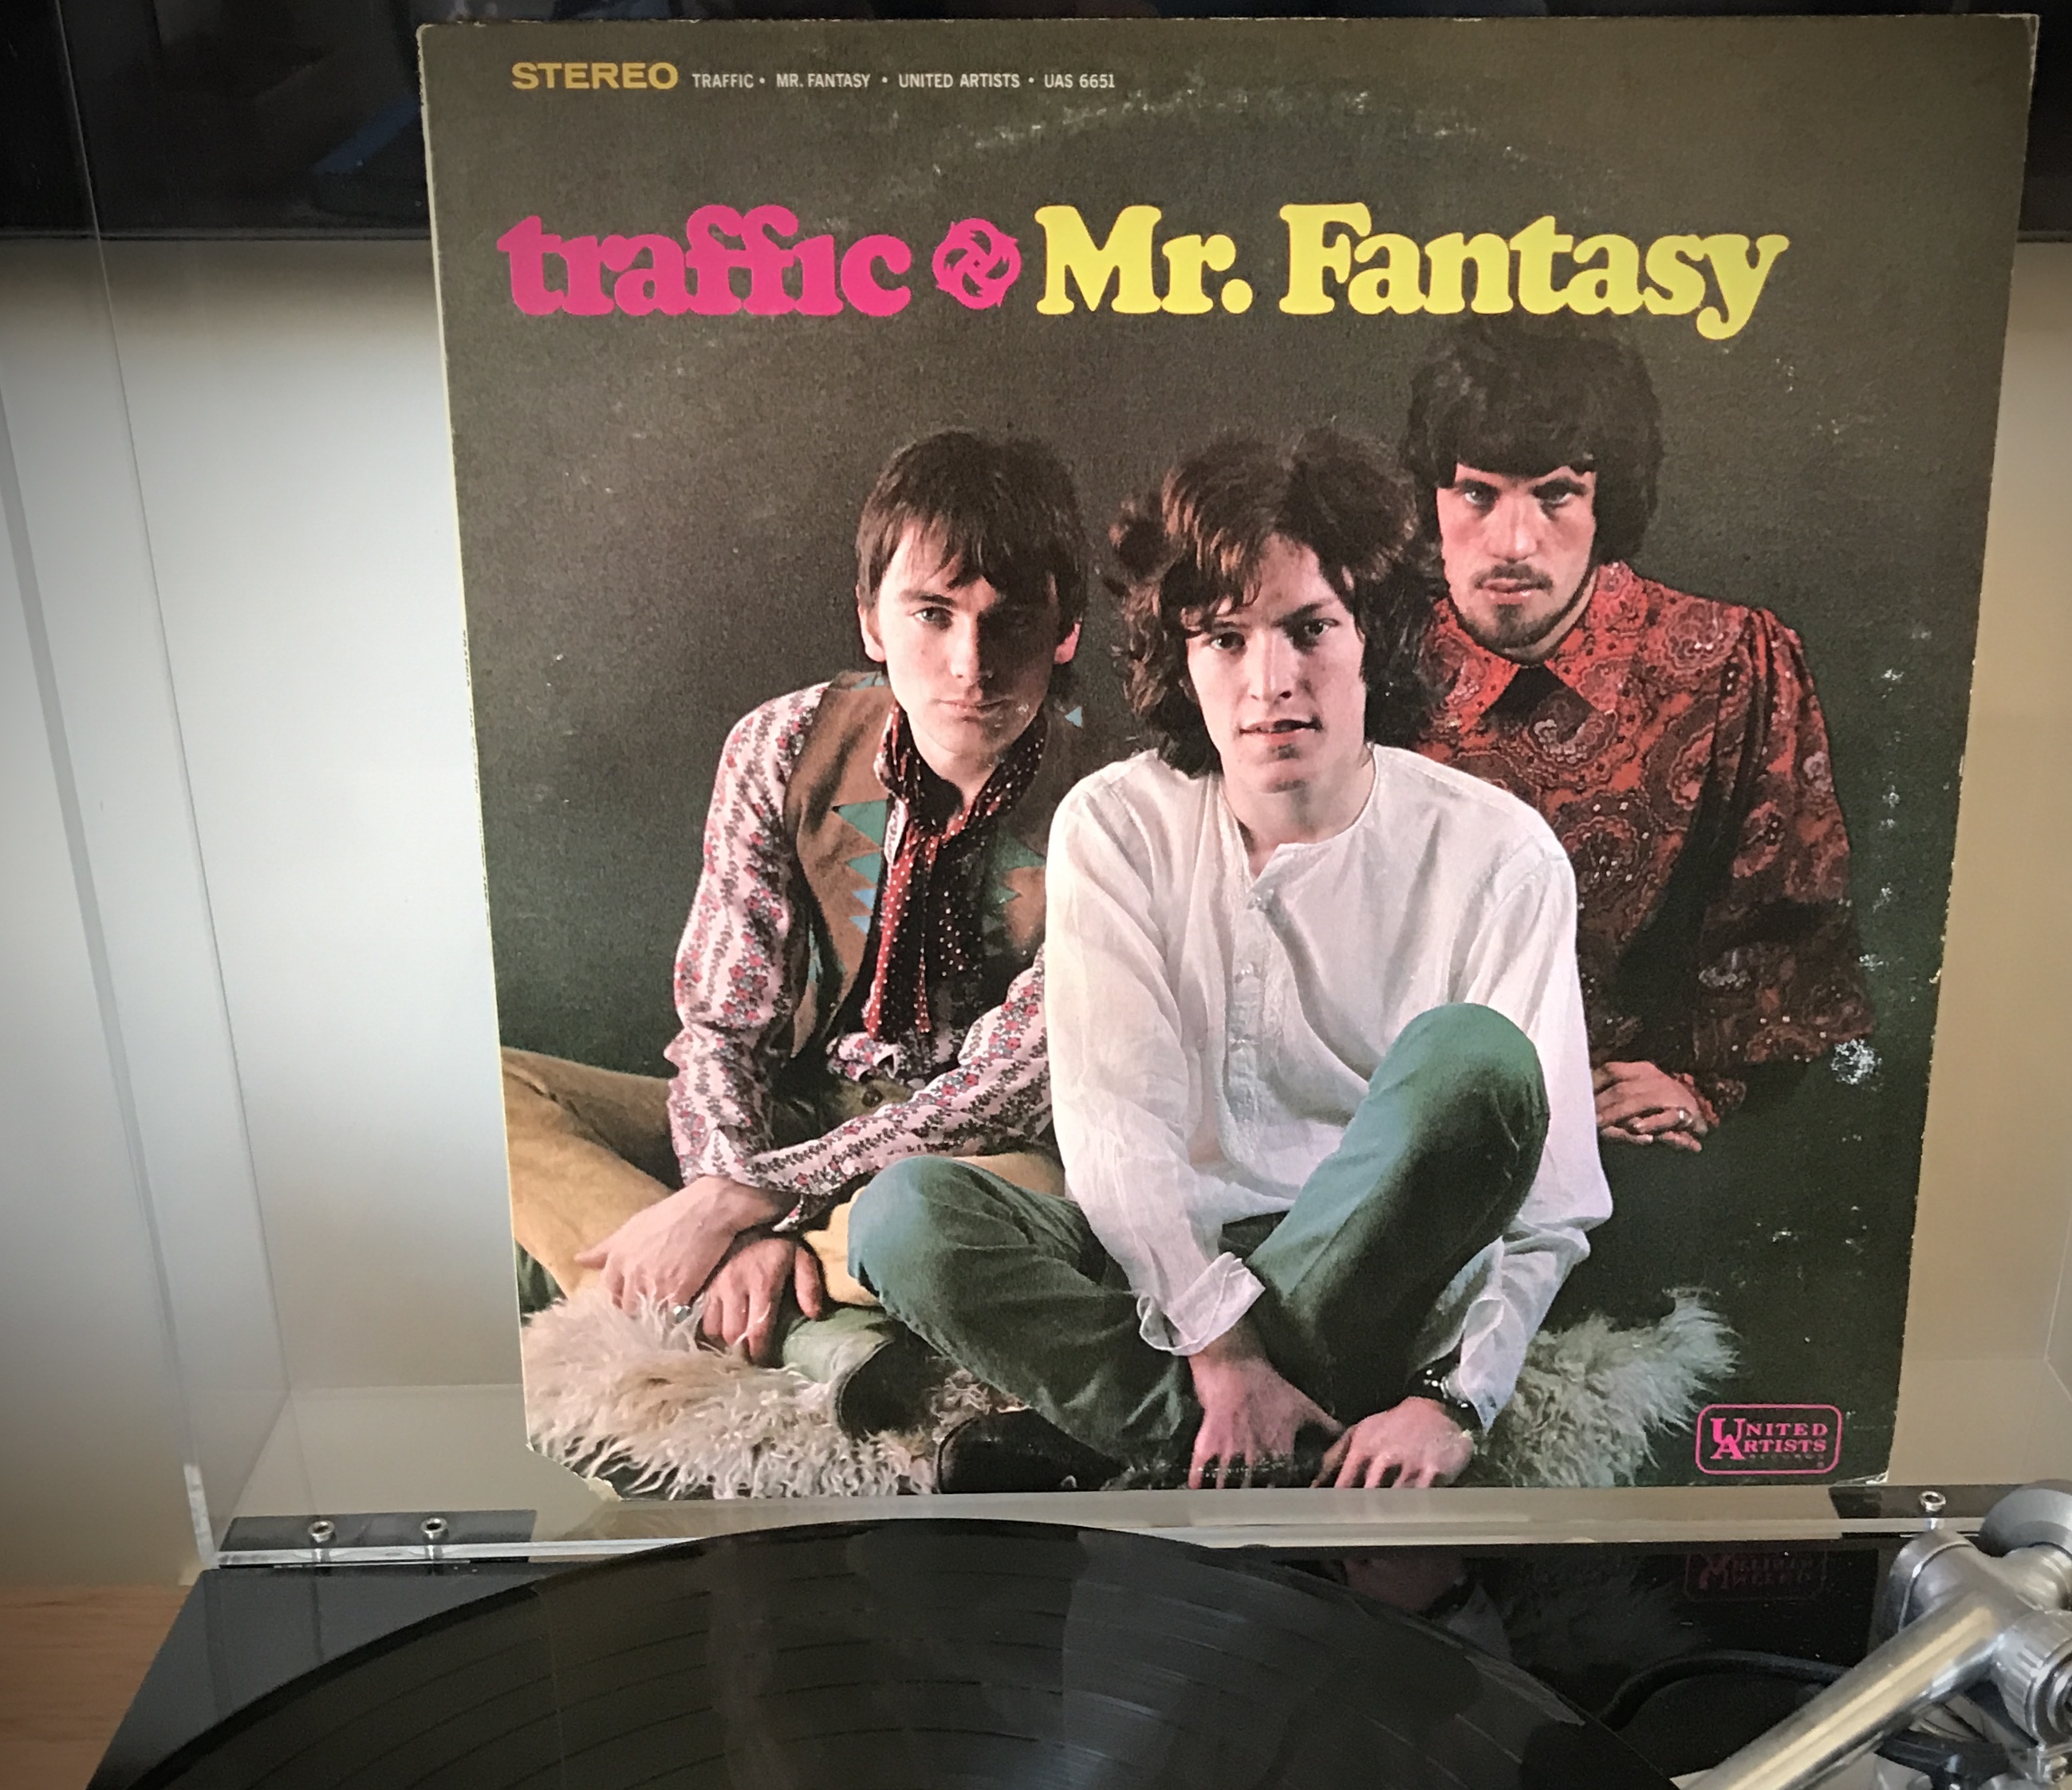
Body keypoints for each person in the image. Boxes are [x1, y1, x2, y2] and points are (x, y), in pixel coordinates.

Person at [850, 431, 1607, 1492]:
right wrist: (1223, 1350)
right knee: (904, 1217)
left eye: (1310, 629)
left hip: (1384, 1264)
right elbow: (1114, 1130)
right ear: (1182, 657)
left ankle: (1118, 1439)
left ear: (1376, 636)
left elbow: (1550, 1201)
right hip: (1166, 1273)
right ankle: (1246, 1435)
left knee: (1473, 1060)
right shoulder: (1115, 825)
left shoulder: (1497, 852)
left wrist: (1452, 1398)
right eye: (1222, 638)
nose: (1270, 683)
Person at [501, 430, 1105, 1426]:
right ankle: (806, 1325)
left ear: (1066, 629)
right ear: (871, 620)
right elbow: (722, 1025)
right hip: (791, 1116)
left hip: (970, 1159)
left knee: (955, 1220)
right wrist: (729, 1198)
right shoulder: (781, 745)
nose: (972, 664)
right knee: (488, 1095)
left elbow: (1005, 1093)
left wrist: (749, 1198)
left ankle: (697, 1288)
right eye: (932, 614)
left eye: (1012, 621)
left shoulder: (1115, 809)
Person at [1402, 320, 1872, 1155]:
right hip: (1393, 1133)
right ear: (1434, 498)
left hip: (1622, 1156)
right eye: (1476, 494)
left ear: (1604, 501)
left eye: (1555, 494)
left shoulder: (1727, 662)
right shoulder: (1366, 658)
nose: (1512, 542)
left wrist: (1699, 1085)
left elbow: (1788, 935)